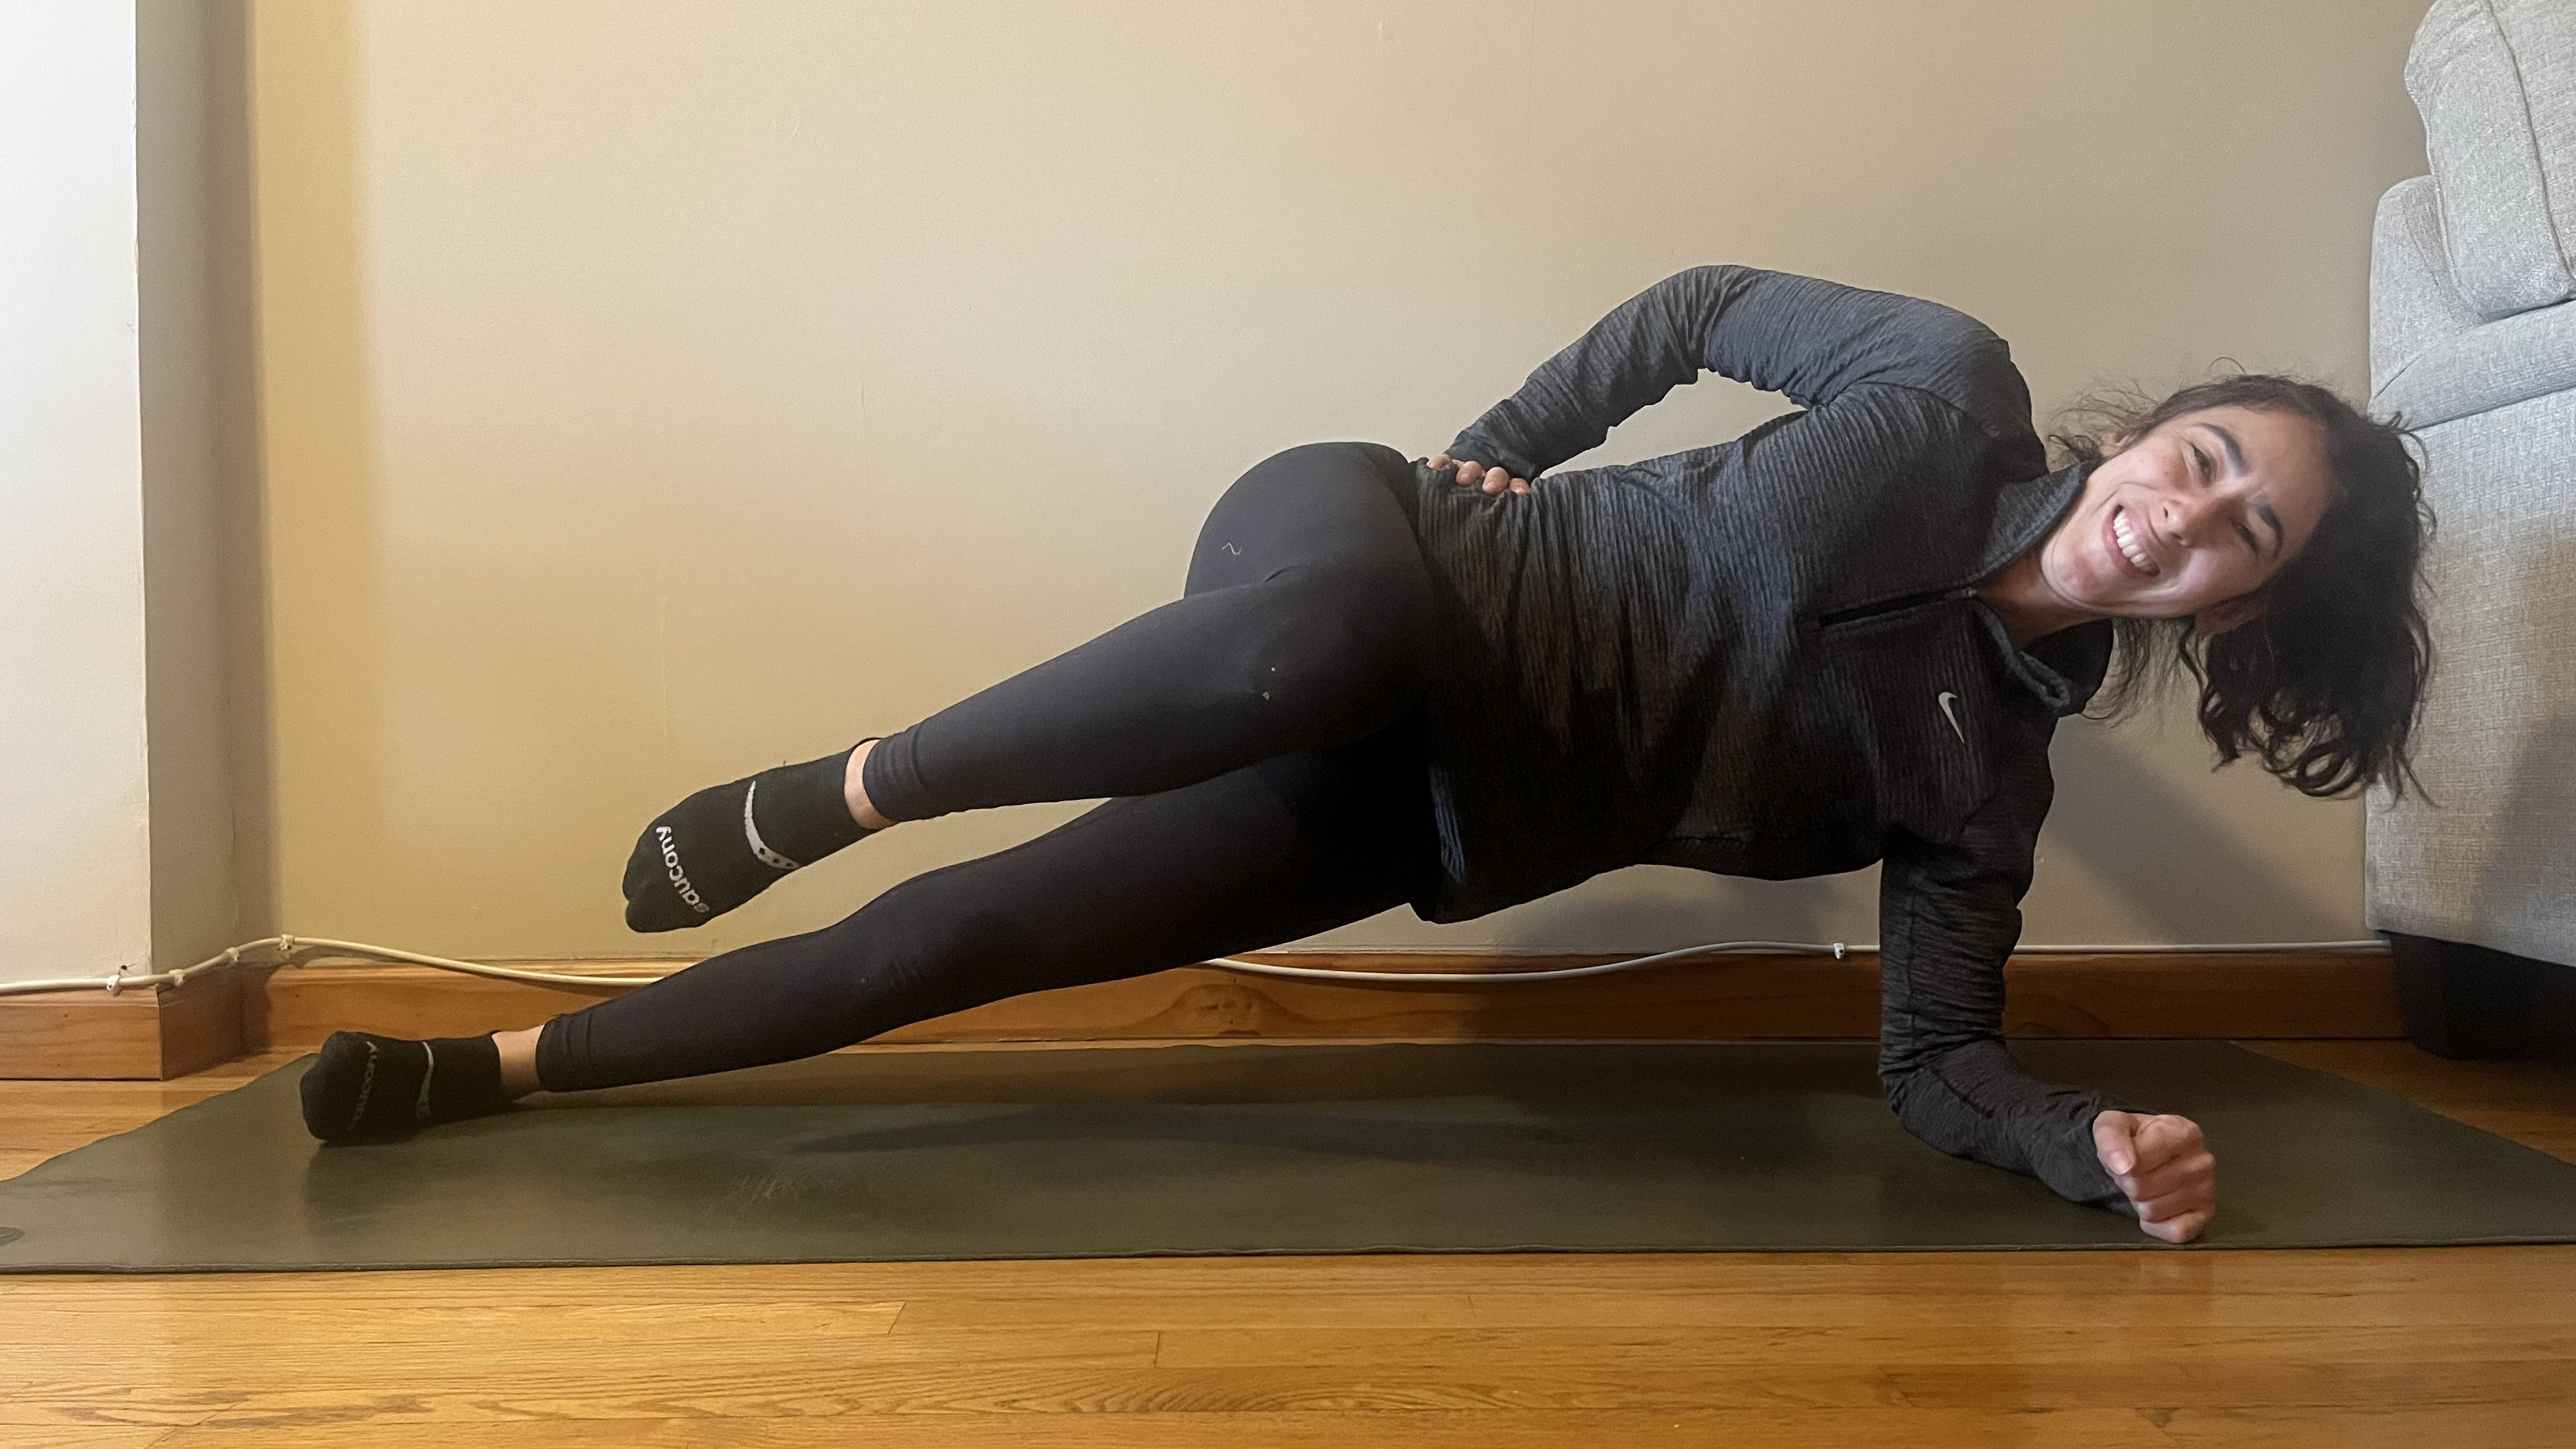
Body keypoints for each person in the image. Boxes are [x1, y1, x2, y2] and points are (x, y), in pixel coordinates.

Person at [297, 266, 2432, 1245]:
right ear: (2159, 426)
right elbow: (1690, 303)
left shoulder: (1987, 785)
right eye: (2210, 458)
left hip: (1410, 802)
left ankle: (498, 1069)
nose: (2193, 511)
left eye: (2247, 536)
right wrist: (1503, 444)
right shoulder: (1937, 390)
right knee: (1317, 641)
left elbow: (1935, 1060)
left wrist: (2088, 1145)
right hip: (1365, 550)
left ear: (2232, 610)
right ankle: (827, 787)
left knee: (960, 948)